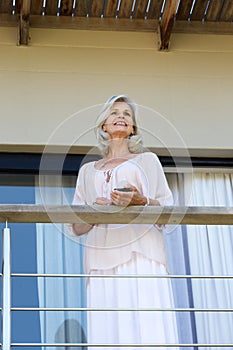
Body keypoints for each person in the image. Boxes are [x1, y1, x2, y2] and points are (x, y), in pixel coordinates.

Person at [69, 94, 178, 349]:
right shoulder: (87, 171)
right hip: (101, 261)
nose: (121, 117)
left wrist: (140, 201)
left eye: (127, 114)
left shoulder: (147, 161)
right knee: (109, 330)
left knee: (147, 327)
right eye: (114, 112)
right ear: (103, 126)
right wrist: (95, 210)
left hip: (141, 255)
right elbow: (75, 226)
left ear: (133, 128)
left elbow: (168, 210)